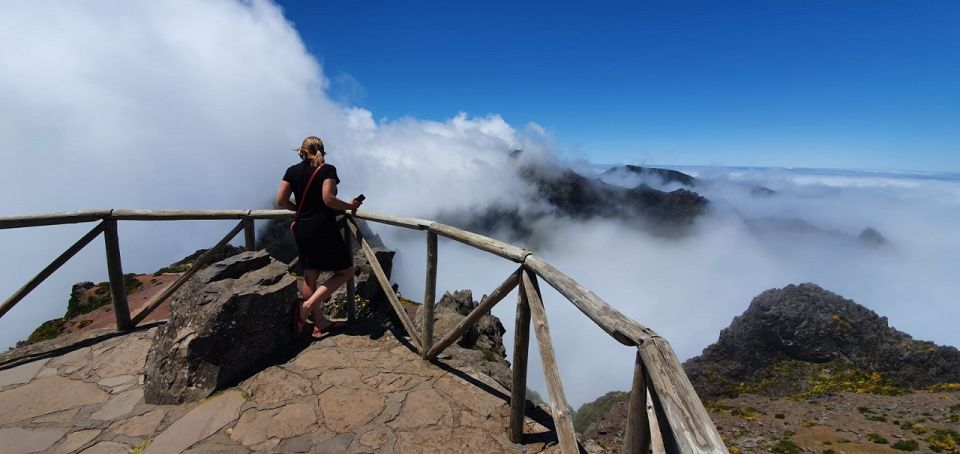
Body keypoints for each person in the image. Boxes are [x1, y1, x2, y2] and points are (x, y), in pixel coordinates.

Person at [275, 136, 363, 334]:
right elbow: (328, 199)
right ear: (322, 150)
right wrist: (350, 206)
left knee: (310, 274)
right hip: (322, 227)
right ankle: (305, 307)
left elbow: (280, 200)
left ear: (302, 150)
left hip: (301, 227)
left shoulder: (292, 171)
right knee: (345, 272)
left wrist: (299, 209)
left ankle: (320, 322)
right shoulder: (327, 169)